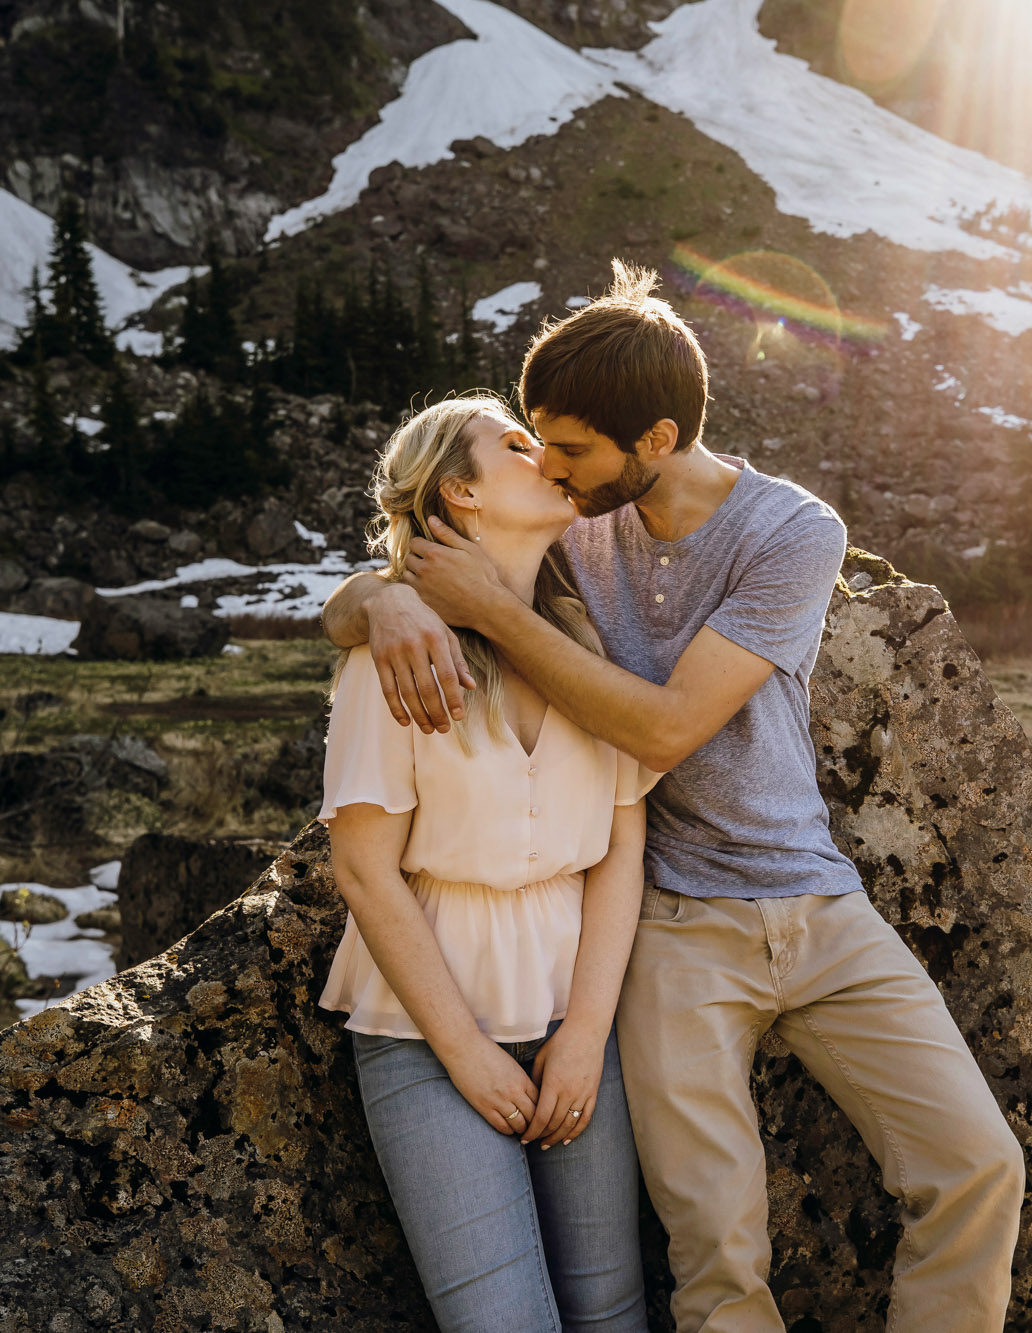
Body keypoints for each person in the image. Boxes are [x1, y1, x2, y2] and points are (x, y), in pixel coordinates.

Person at [322, 262, 1028, 1333]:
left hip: (816, 902)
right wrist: (383, 603)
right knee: (715, 1245)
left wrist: (477, 612)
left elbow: (660, 727)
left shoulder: (791, 532)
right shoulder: (567, 526)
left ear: (651, 441)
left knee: (979, 1164)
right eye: (533, 442)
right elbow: (406, 560)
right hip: (673, 925)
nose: (548, 466)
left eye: (567, 448)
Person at [317, 394, 654, 1333]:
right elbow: (364, 872)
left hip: (577, 1023)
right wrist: (465, 1054)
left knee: (614, 1312)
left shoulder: (587, 644)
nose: (543, 452)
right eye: (515, 444)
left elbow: (622, 849)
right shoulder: (395, 657)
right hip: (427, 1037)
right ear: (459, 493)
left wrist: (587, 1033)